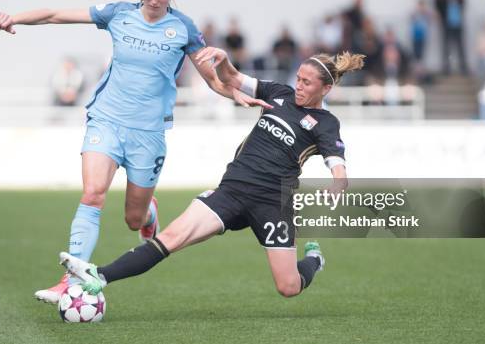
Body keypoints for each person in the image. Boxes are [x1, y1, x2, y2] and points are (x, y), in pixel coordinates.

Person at [0, 0, 268, 304]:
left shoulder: (183, 28)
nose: (154, 0)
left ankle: (148, 214)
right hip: (106, 119)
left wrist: (237, 96)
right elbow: (56, 15)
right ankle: (70, 280)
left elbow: (213, 80)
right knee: (93, 193)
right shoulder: (118, 13)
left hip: (148, 134)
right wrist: (12, 18)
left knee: (132, 217)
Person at [59, 47, 365, 298]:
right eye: (298, 78)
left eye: (307, 83)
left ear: (326, 88)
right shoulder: (277, 93)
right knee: (171, 238)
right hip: (232, 190)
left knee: (288, 287)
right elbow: (232, 78)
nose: (299, 85)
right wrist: (224, 59)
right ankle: (99, 275)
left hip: (272, 202)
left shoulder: (326, 123)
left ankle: (314, 260)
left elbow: (337, 164)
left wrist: (338, 183)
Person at [434, 0, 468, 75]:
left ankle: (463, 67)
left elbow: (463, 2)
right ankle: (446, 67)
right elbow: (437, 3)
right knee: (446, 46)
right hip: (446, 22)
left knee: (460, 46)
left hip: (457, 21)